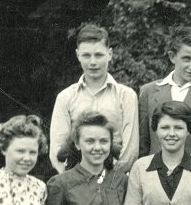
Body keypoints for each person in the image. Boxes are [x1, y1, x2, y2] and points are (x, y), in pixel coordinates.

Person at [49, 24, 138, 173]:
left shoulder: (126, 96)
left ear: (109, 54)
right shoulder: (65, 97)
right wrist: (73, 181)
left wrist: (110, 180)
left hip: (114, 182)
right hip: (75, 183)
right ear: (78, 55)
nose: (93, 62)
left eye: (98, 55)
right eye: (86, 55)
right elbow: (57, 148)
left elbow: (130, 150)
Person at [138, 26, 191, 159]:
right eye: (187, 59)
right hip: (155, 174)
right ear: (172, 57)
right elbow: (143, 145)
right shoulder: (149, 91)